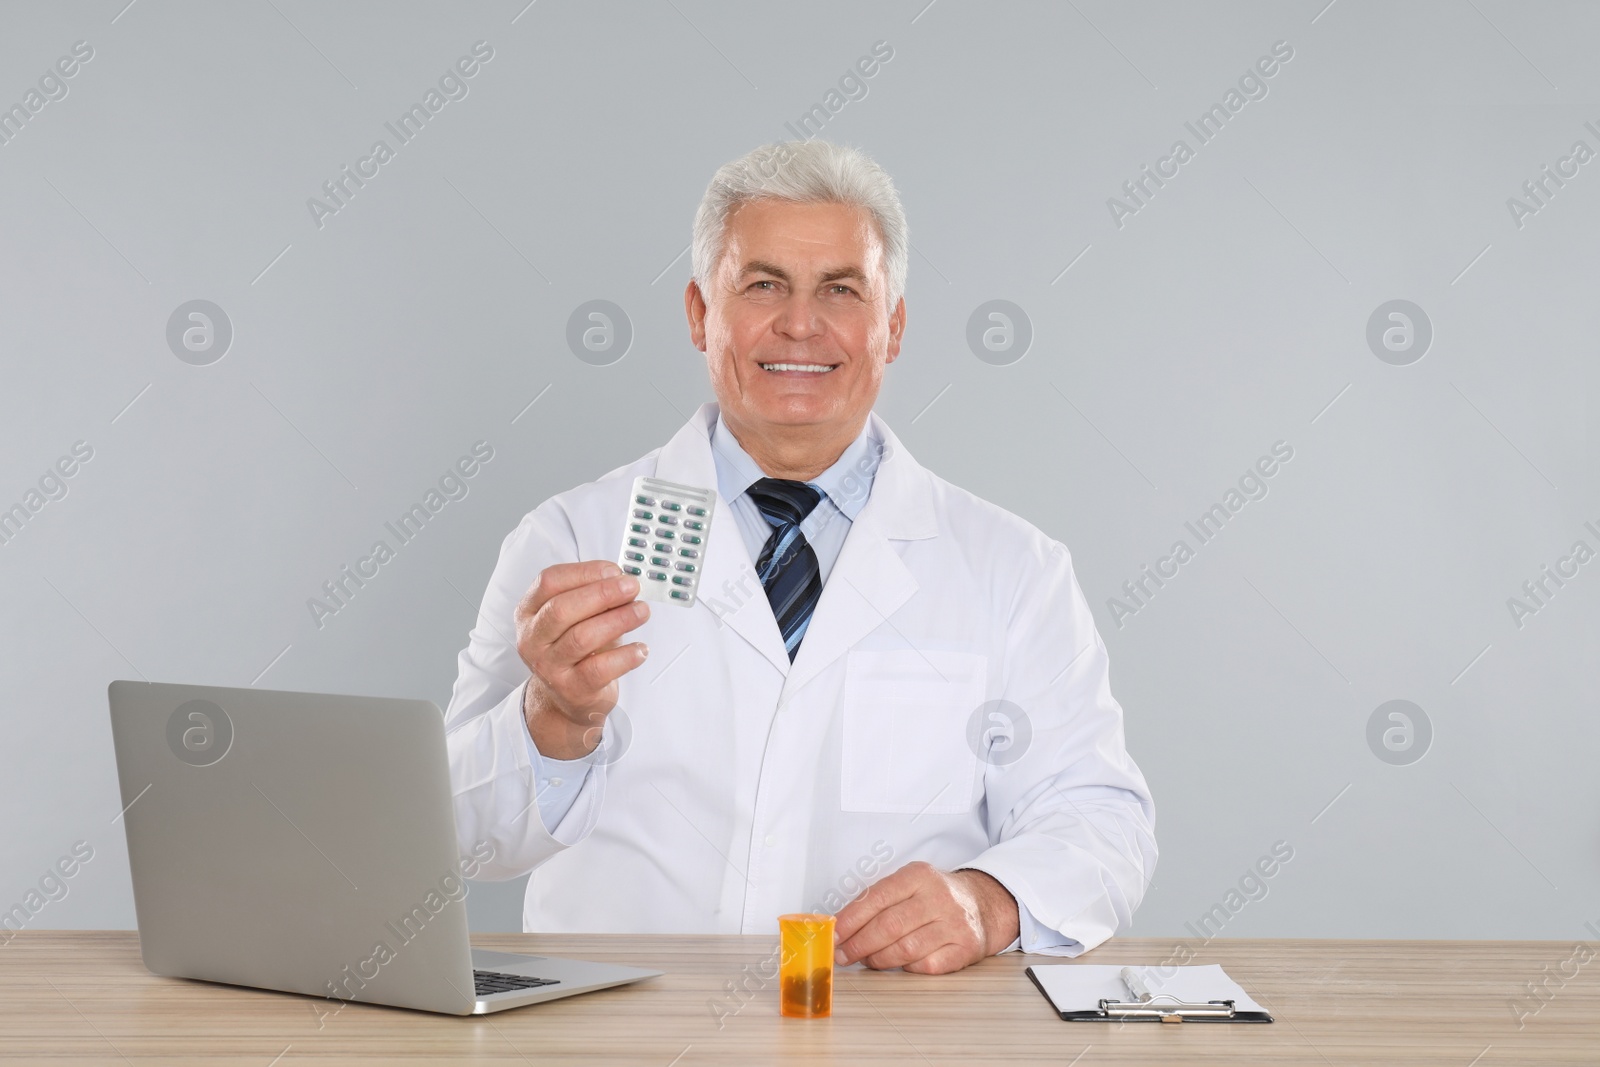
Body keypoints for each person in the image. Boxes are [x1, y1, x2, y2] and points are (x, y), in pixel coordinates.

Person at [445, 140, 1156, 974]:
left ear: (891, 327)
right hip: (618, 1035)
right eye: (764, 284)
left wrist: (985, 899)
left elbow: (1103, 821)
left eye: (842, 290)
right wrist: (552, 723)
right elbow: (452, 832)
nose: (801, 324)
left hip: (882, 1038)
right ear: (700, 313)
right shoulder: (571, 540)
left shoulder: (1013, 570)